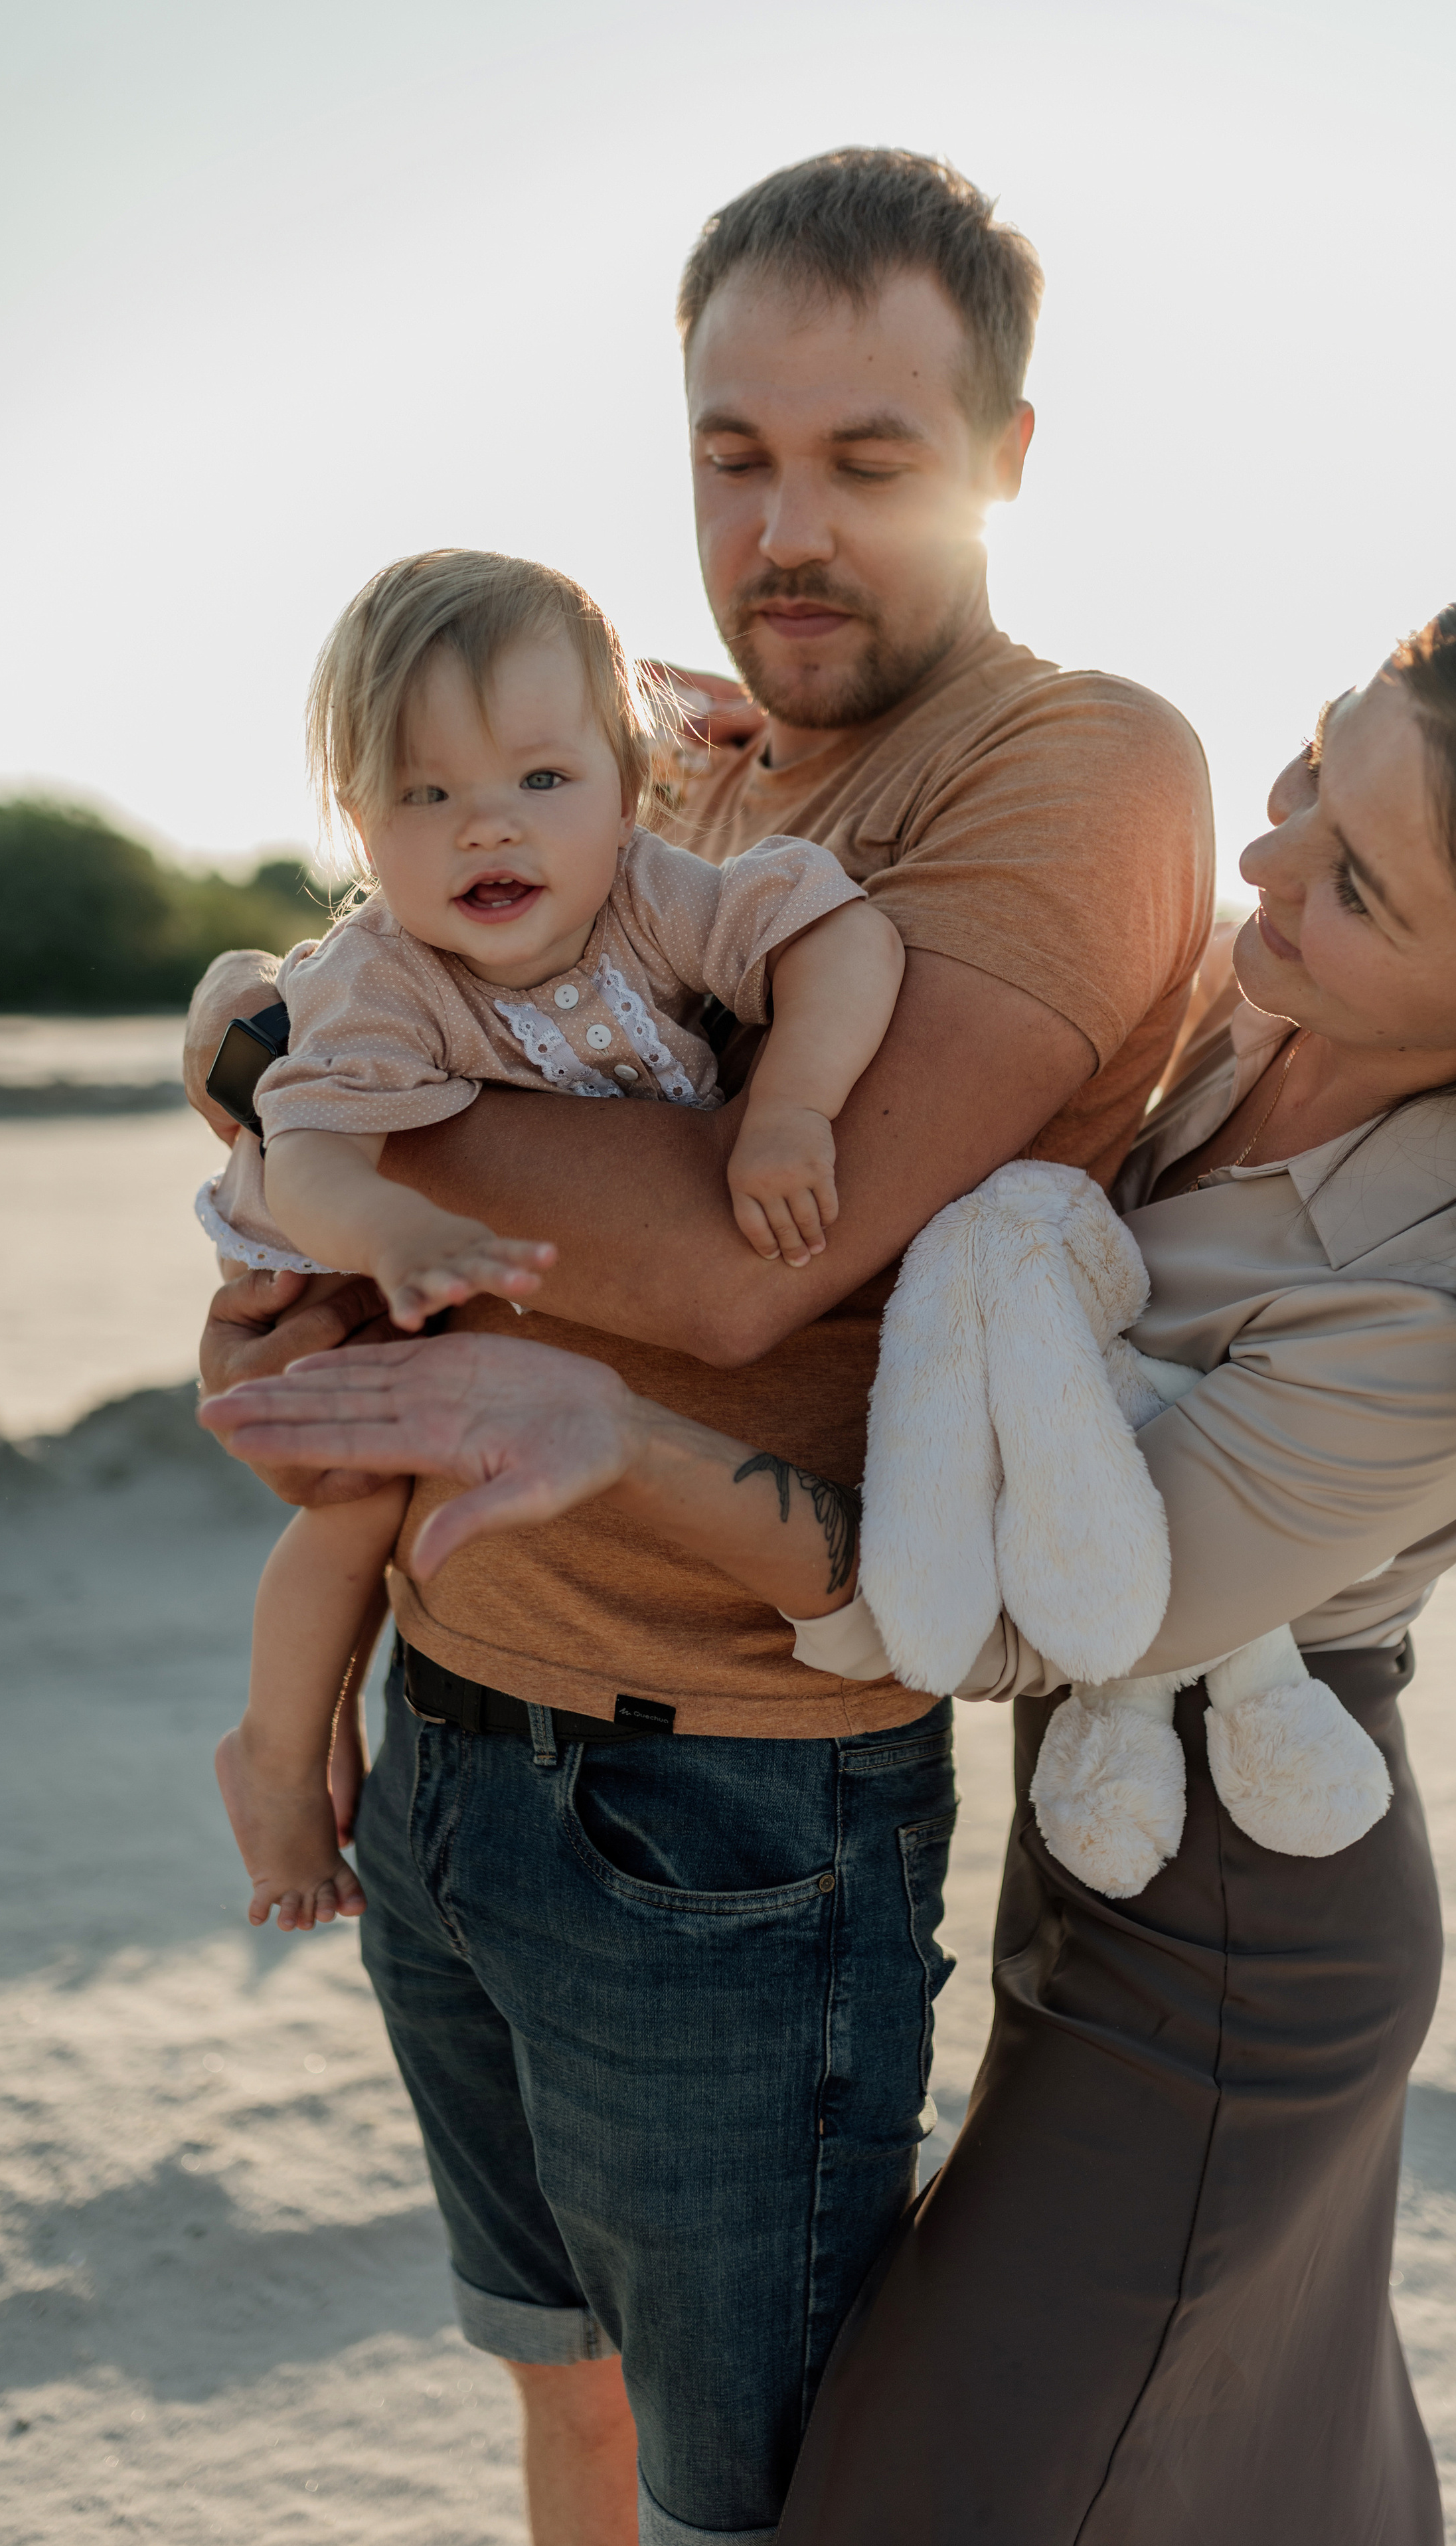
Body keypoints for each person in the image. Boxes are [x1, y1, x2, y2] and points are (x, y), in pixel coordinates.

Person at [201, 547, 1456, 2546]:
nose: (1265, 875)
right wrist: (639, 766)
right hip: (1087, 1876)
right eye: (1313, 777)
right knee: (1214, 2470)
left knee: (925, 2499)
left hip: (1240, 1948)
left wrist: (609, 1436)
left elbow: (1022, 1631)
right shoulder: (1249, 1010)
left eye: (1359, 882)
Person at [196, 147, 1214, 2546]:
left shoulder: (1071, 767)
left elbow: (753, 1256)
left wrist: (276, 1087)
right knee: (563, 2407)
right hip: (449, 1732)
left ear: (1006, 461)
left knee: (752, 2497)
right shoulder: (679, 767)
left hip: (732, 1801)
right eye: (731, 452)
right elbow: (449, 1024)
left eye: (871, 460)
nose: (785, 531)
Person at [186, 548, 901, 1931]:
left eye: (540, 781)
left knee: (418, 1492)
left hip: (504, 1277)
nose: (486, 831)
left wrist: (790, 1111)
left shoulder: (653, 893)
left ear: (630, 789)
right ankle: (276, 1755)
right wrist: (396, 1228)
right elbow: (314, 1158)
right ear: (356, 822)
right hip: (354, 1250)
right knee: (350, 1507)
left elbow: (838, 938)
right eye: (425, 794)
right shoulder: (384, 981)